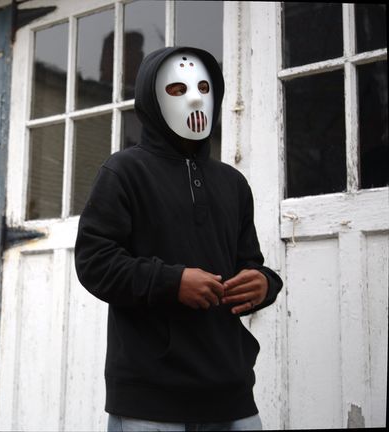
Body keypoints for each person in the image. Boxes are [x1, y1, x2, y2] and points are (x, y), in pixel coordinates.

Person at [74, 46, 283, 431]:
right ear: (151, 99)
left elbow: (247, 264)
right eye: (177, 89)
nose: (195, 98)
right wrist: (173, 282)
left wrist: (264, 284)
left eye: (204, 87)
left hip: (231, 392)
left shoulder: (234, 184)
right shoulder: (124, 172)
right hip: (149, 396)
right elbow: (94, 263)